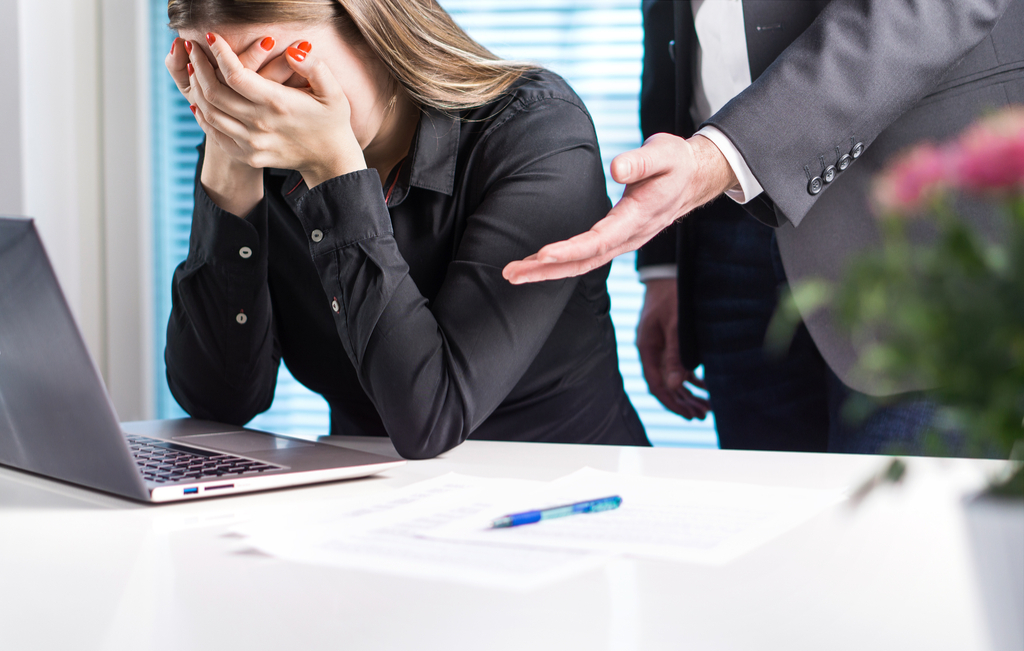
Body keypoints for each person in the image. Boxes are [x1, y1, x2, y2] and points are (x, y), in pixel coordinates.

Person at [504, 0, 1024, 454]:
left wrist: (722, 157)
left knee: (900, 551)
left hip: (912, 213)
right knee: (770, 543)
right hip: (722, 223)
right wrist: (664, 265)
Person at [162, 0, 650, 460]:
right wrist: (226, 162)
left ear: (374, 28)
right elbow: (219, 405)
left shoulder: (537, 131)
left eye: (281, 77)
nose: (260, 113)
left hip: (565, 495)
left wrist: (335, 174)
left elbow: (430, 419)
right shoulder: (256, 151)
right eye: (222, 87)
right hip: (371, 507)